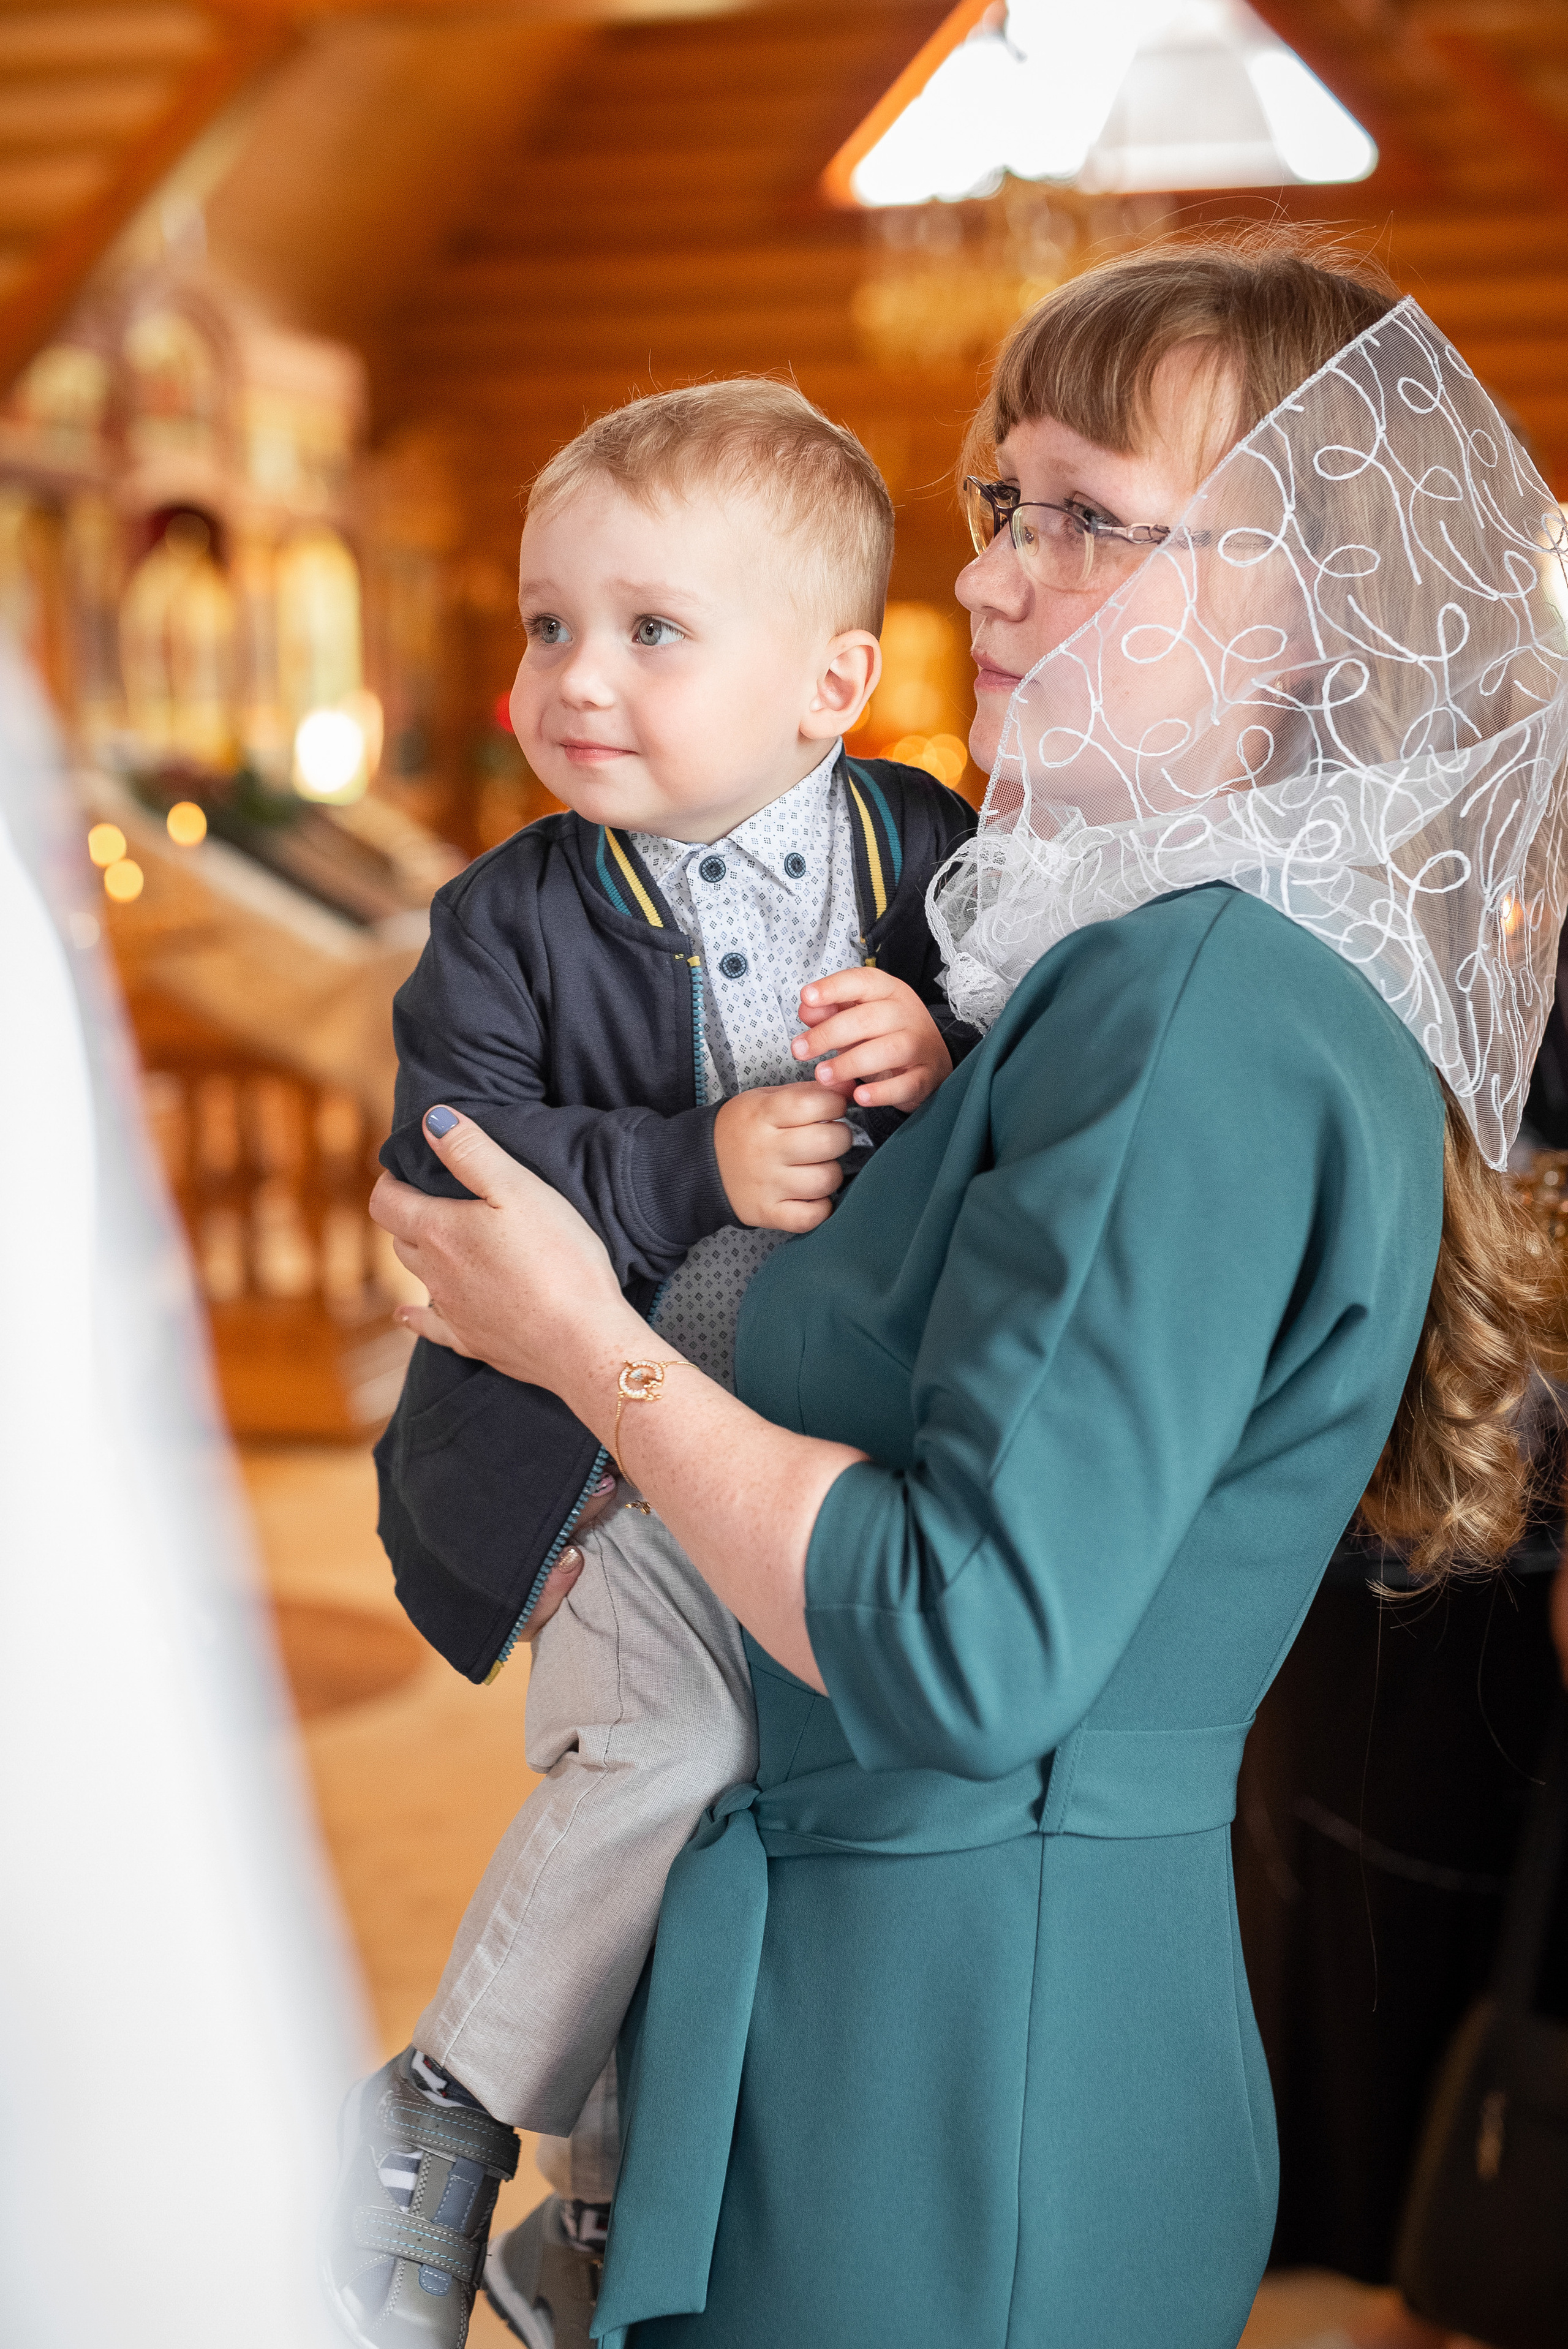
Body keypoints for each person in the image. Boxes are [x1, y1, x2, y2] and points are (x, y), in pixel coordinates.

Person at [368, 238, 1568, 2348]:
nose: (995, 576)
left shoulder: (1193, 1004)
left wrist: (579, 1335)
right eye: (1003, 502)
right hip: (889, 2006)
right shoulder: (1094, 962)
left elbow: (959, 1638)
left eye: (1090, 518)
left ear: (1310, 610)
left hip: (949, 2083)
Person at [324, 380, 978, 2349]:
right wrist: (691, 1162)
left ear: (829, 682)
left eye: (650, 628)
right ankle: (439, 2113)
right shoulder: (507, 921)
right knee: (661, 1757)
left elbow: (1026, 1093)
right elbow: (448, 1169)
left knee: (742, 1825)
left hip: (812, 1455)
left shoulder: (921, 851)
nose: (575, 677)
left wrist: (940, 1060)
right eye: (548, 624)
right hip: (590, 1465)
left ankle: (605, 2221)